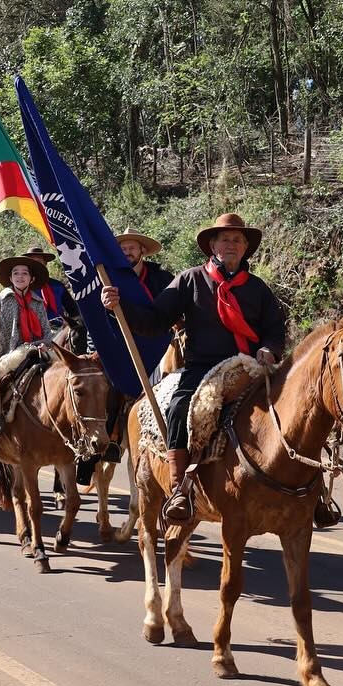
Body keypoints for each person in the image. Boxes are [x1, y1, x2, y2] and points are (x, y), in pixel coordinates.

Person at [101, 213, 285, 522]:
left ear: (244, 249)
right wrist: (118, 307)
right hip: (203, 367)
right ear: (212, 245)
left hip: (253, 367)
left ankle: (310, 490)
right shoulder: (189, 280)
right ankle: (180, 490)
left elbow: (275, 329)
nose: (231, 244)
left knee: (294, 406)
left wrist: (269, 348)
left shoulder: (258, 289)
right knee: (178, 407)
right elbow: (154, 320)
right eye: (224, 239)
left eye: (237, 240)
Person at [0, 255, 54, 456]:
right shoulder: (0, 298)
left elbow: (47, 333)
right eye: (16, 273)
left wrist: (41, 346)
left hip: (35, 351)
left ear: (32, 279)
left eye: (24, 273)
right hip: (6, 354)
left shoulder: (38, 302)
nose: (20, 277)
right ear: (10, 278)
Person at [116, 228, 174, 297]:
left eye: (132, 248)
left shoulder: (163, 278)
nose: (127, 253)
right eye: (123, 249)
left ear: (143, 250)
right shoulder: (115, 279)